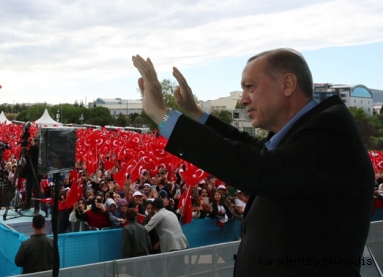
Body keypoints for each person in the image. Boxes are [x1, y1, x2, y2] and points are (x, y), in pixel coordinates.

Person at [133, 48, 374, 276]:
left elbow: (257, 168)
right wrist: (195, 113)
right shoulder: (305, 133)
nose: (243, 100)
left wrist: (161, 114)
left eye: (250, 87)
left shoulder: (329, 132)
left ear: (287, 84)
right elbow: (248, 146)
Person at [22, 134, 41, 214]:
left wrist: (35, 146)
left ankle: (37, 207)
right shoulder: (31, 147)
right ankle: (27, 204)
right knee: (28, 188)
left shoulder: (40, 147)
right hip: (29, 170)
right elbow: (27, 156)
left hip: (36, 171)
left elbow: (39, 155)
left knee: (36, 190)